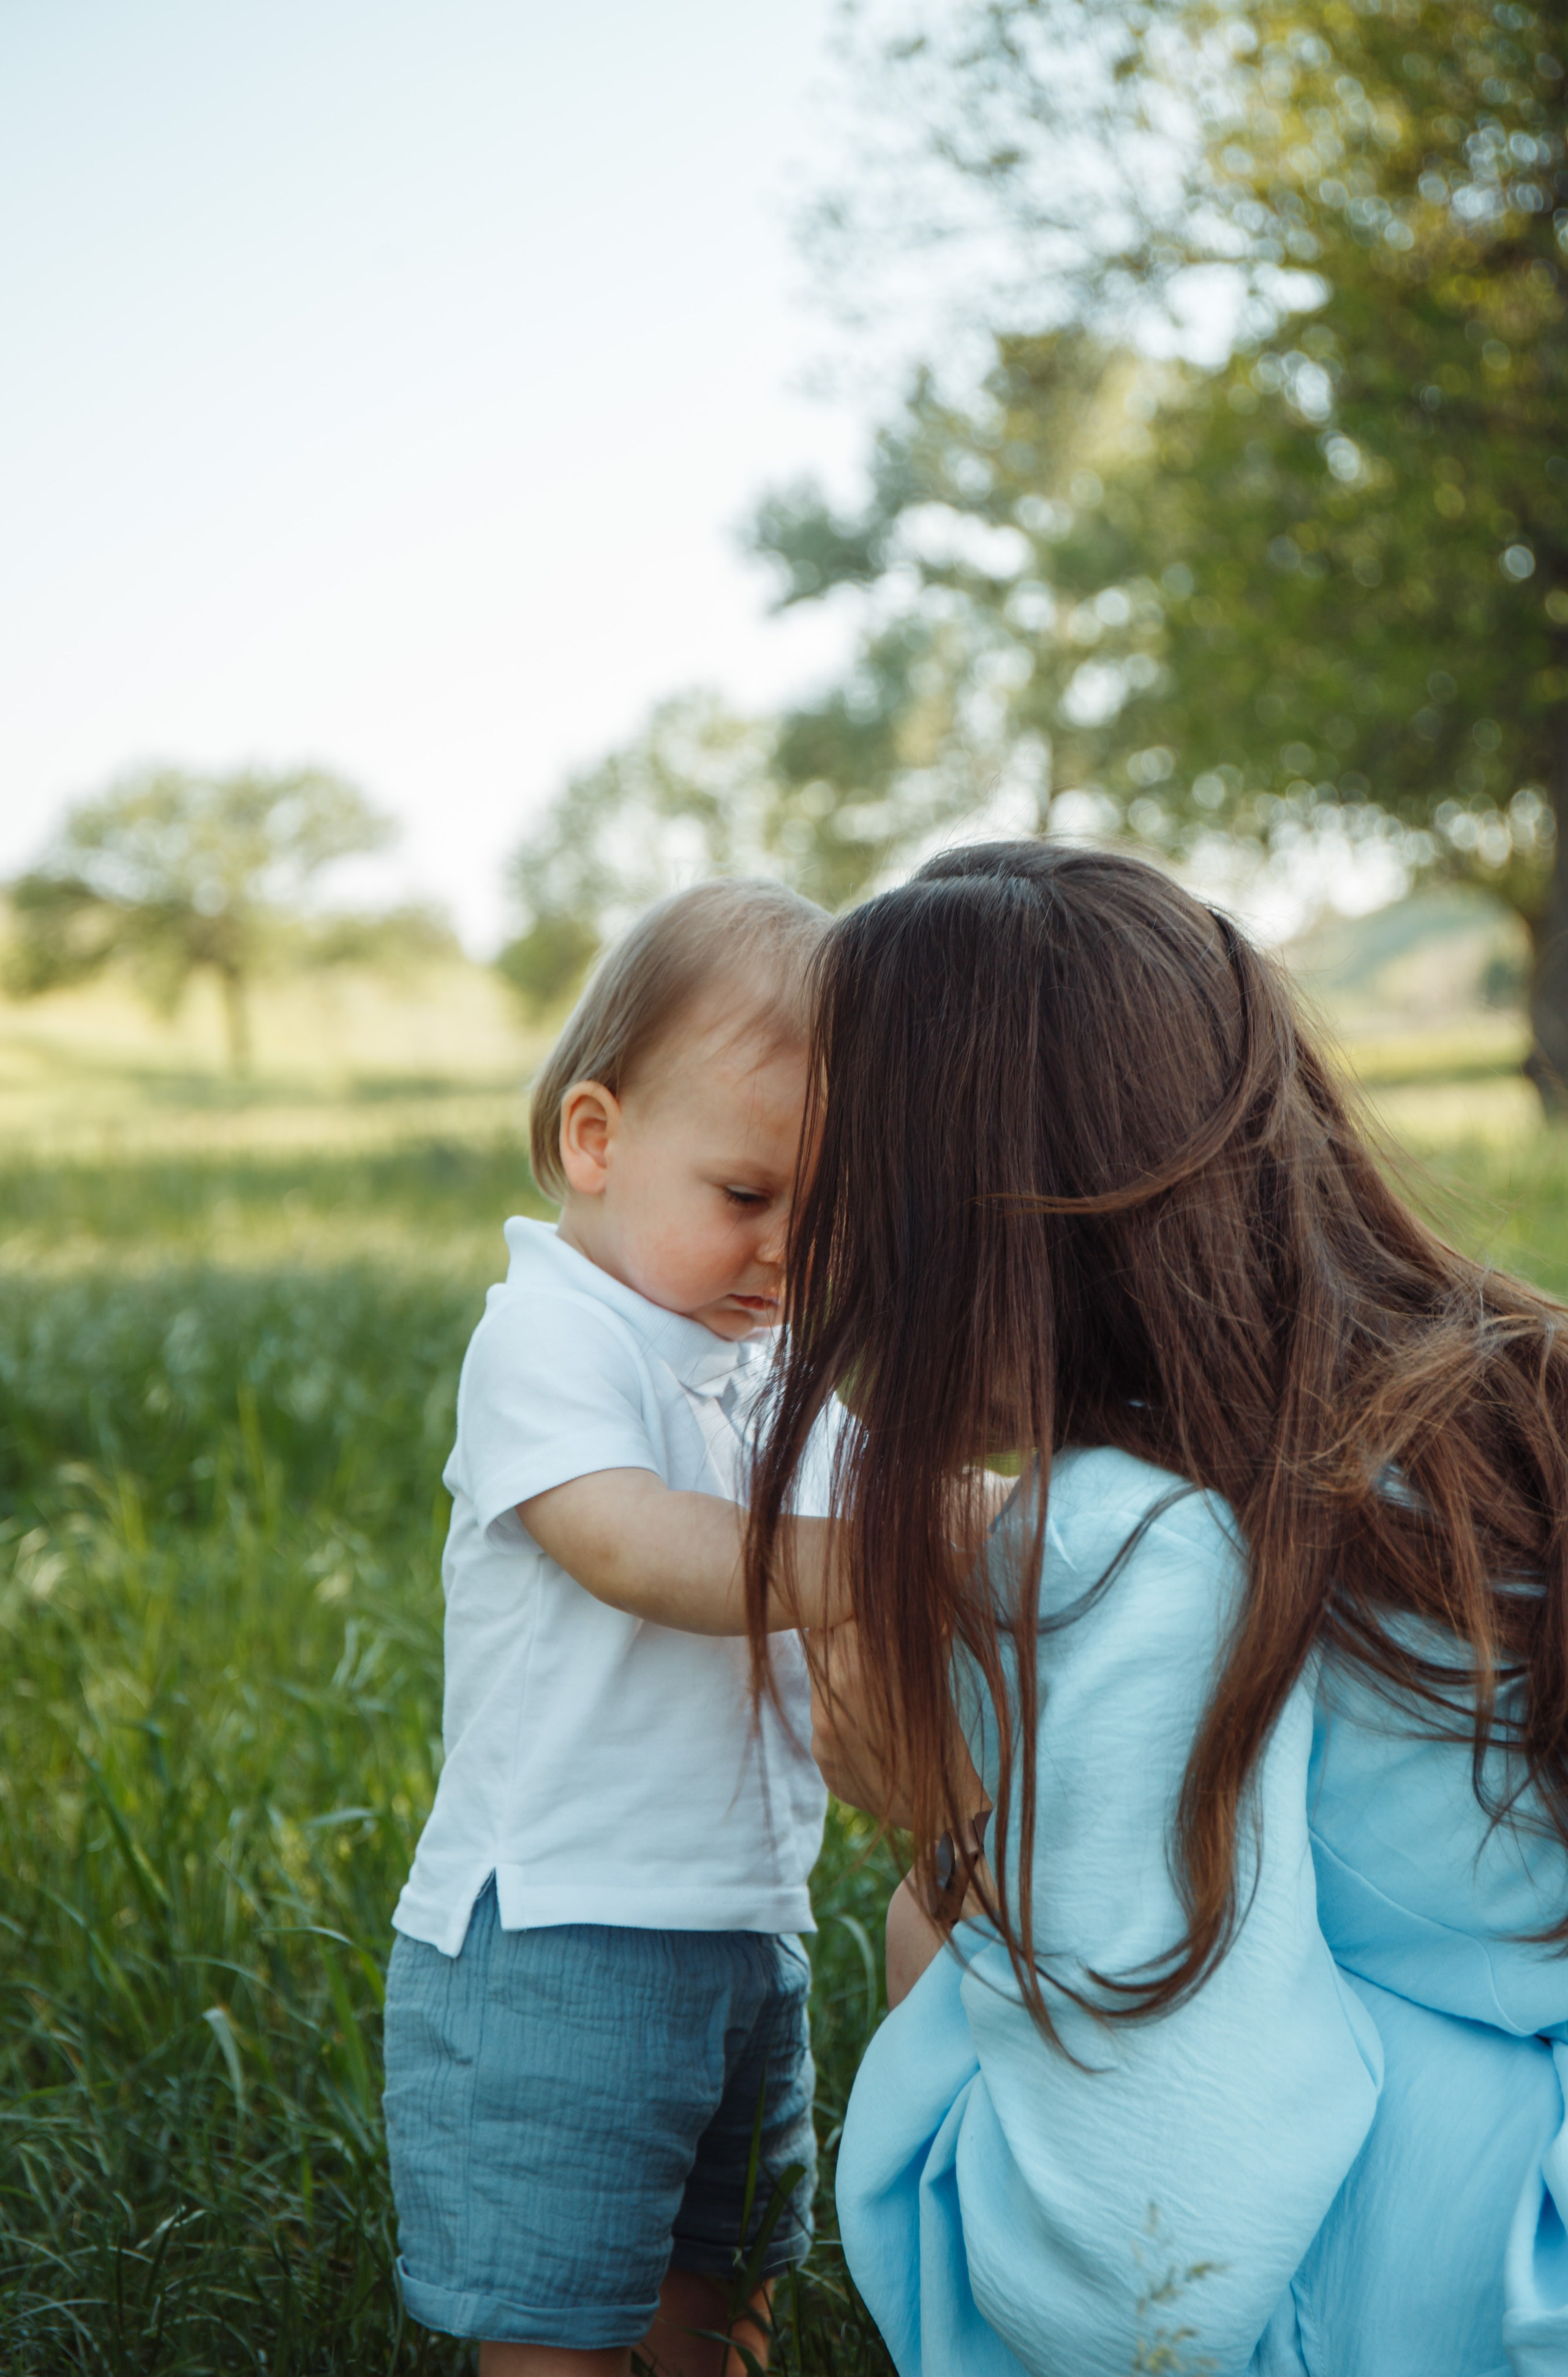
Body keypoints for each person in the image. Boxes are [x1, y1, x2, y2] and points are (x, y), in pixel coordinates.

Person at [746, 840, 1568, 2377]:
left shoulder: (1128, 1540)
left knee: (935, 1945)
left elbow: (1146, 2281)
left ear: (951, 1216)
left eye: (814, 1181)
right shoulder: (1482, 1391)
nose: (788, 1250)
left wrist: (962, 1841)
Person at [383, 881, 844, 2377]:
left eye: (828, 1215)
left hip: (749, 1922)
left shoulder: (780, 1366)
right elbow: (630, 1547)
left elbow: (856, 1584)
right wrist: (899, 1556)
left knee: (724, 2282)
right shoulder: (548, 1330)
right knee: (560, 2316)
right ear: (597, 1139)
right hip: (560, 1926)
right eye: (747, 1196)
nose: (786, 1253)